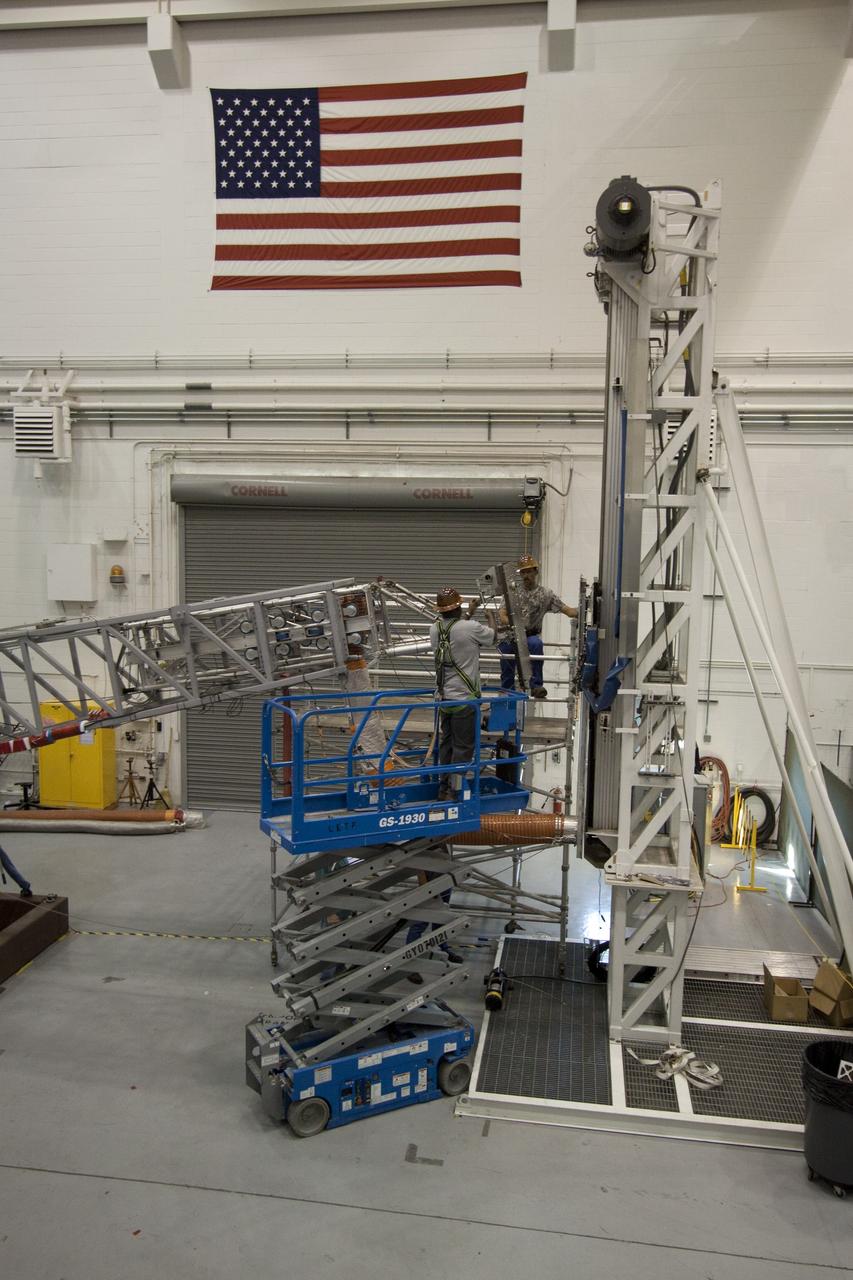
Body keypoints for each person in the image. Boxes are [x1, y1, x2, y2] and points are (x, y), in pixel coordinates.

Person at [431, 586, 497, 802]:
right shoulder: (471, 627)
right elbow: (493, 637)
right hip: (464, 700)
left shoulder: (435, 629)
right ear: (458, 608)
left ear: (441, 611)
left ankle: (443, 788)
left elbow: (456, 630)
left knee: (447, 745)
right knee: (463, 748)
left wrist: (469, 612)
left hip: (444, 700)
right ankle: (455, 791)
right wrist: (490, 617)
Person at [499, 553, 577, 700]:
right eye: (523, 572)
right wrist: (511, 623)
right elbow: (502, 613)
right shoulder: (512, 592)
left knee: (536, 645)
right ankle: (506, 689)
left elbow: (568, 611)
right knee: (505, 649)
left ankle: (536, 686)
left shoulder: (545, 594)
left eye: (529, 571)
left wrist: (584, 610)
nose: (526, 575)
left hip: (530, 635)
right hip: (512, 634)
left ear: (535, 572)